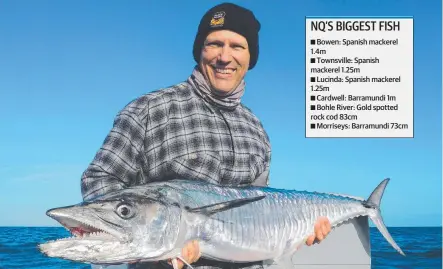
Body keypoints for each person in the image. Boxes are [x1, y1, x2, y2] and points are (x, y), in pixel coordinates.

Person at [81, 2, 331, 269]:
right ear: (199, 51)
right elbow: (100, 180)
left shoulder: (256, 129)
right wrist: (149, 241)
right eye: (214, 44)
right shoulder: (149, 109)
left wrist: (297, 231)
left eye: (237, 46)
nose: (224, 57)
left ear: (250, 58)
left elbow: (261, 204)